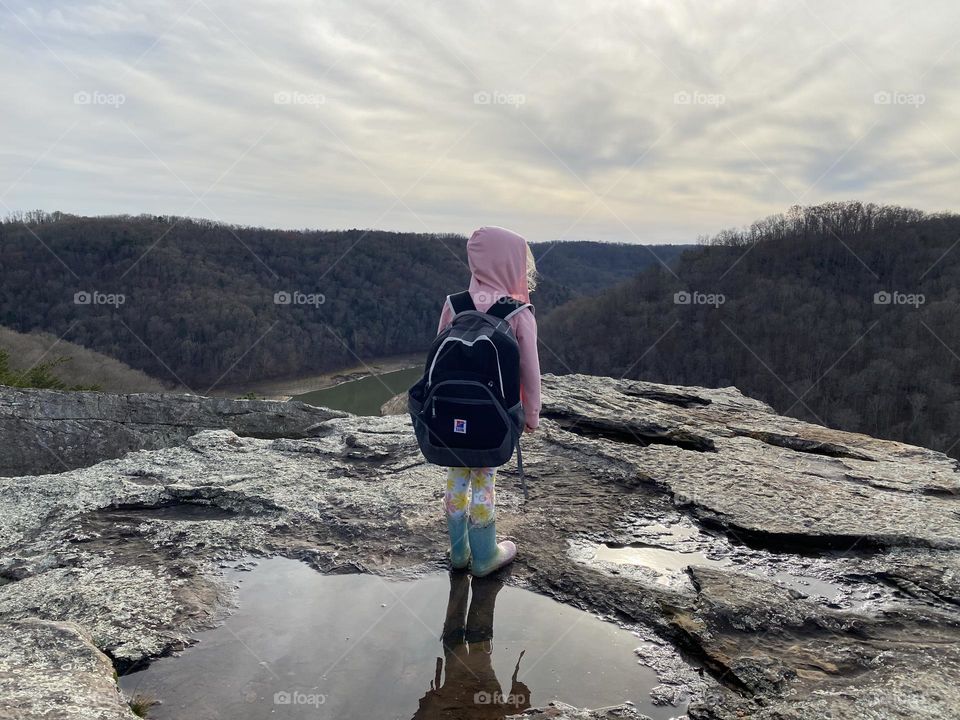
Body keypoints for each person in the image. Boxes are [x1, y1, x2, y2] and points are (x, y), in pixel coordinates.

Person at [436, 226, 542, 577]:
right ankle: (485, 557)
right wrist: (531, 415)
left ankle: (458, 554)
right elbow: (529, 370)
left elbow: (439, 356)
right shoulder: (517, 312)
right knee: (485, 479)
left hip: (449, 416)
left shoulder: (455, 304)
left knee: (456, 477)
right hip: (493, 418)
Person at [410, 573, 532, 719]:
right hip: (482, 698)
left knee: (464, 649)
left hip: (470, 696)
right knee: (471, 650)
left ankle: (467, 575)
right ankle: (479, 577)